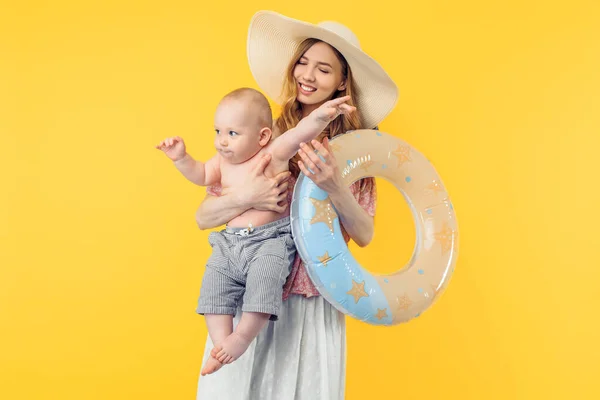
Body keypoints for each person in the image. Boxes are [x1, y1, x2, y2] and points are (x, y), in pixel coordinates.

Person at [195, 11, 398, 399]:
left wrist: (334, 186)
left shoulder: (356, 153)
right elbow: (204, 216)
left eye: (323, 69)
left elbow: (365, 234)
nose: (307, 75)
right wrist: (247, 197)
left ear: (343, 81)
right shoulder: (263, 133)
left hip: (309, 295)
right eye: (303, 62)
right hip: (250, 287)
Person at [156, 87, 356, 376]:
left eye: (232, 134)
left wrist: (323, 116)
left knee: (264, 284)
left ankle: (242, 336)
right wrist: (180, 158)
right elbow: (199, 175)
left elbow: (300, 133)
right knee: (214, 289)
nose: (222, 142)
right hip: (229, 243)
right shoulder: (222, 163)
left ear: (262, 136)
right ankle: (220, 344)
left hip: (269, 242)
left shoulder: (273, 154)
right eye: (218, 131)